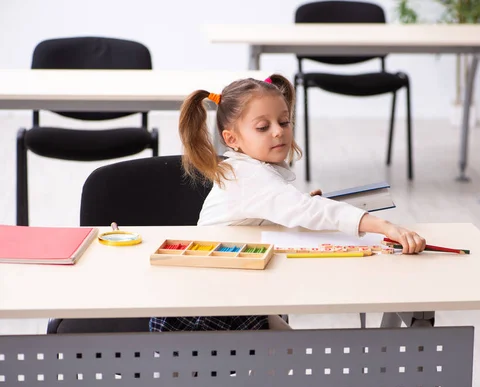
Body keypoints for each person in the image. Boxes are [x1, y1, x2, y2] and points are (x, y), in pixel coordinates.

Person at [149, 74, 426, 333]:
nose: (278, 132)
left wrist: (295, 207)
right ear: (232, 139)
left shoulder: (252, 169)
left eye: (284, 122)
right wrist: (383, 226)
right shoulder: (248, 175)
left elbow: (271, 213)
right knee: (302, 353)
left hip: (230, 291)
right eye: (262, 127)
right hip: (205, 313)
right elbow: (306, 211)